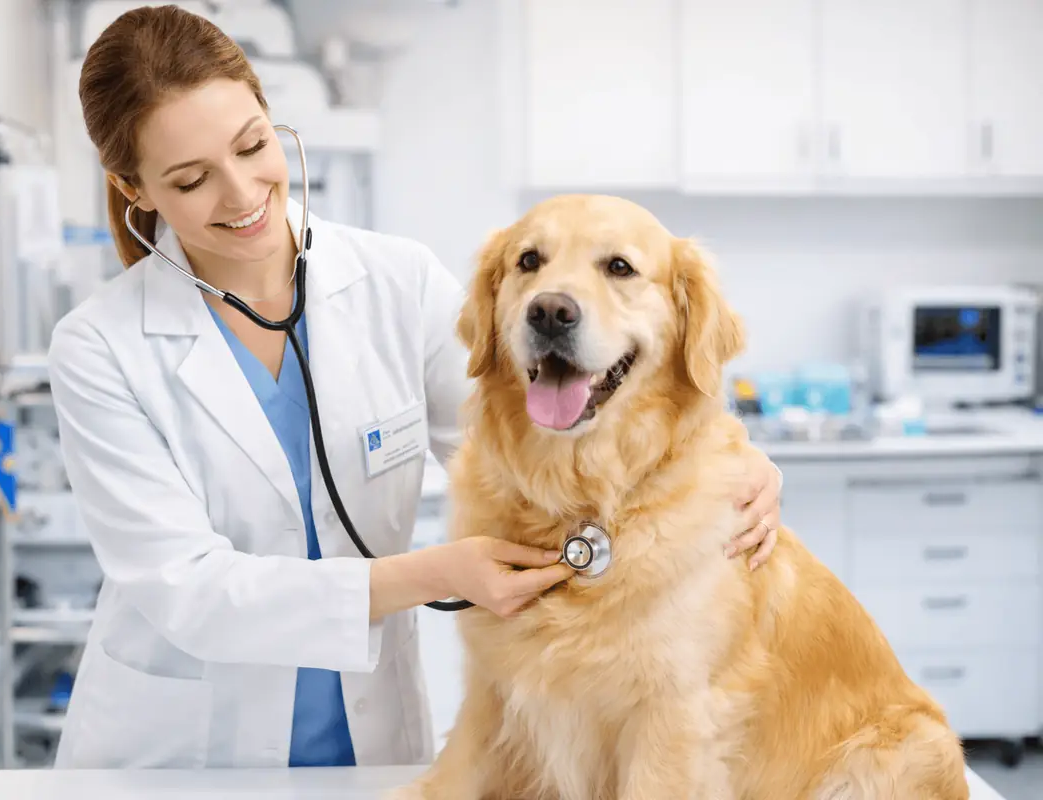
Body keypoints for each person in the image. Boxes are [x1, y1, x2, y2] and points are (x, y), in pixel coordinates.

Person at [46, 5, 785, 771]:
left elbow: (539, 430)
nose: (241, 194)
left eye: (253, 146)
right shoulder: (100, 348)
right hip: (179, 755)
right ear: (135, 189)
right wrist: (435, 573)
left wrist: (728, 466)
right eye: (192, 180)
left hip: (367, 739)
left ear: (271, 117)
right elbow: (189, 592)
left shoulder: (394, 283)